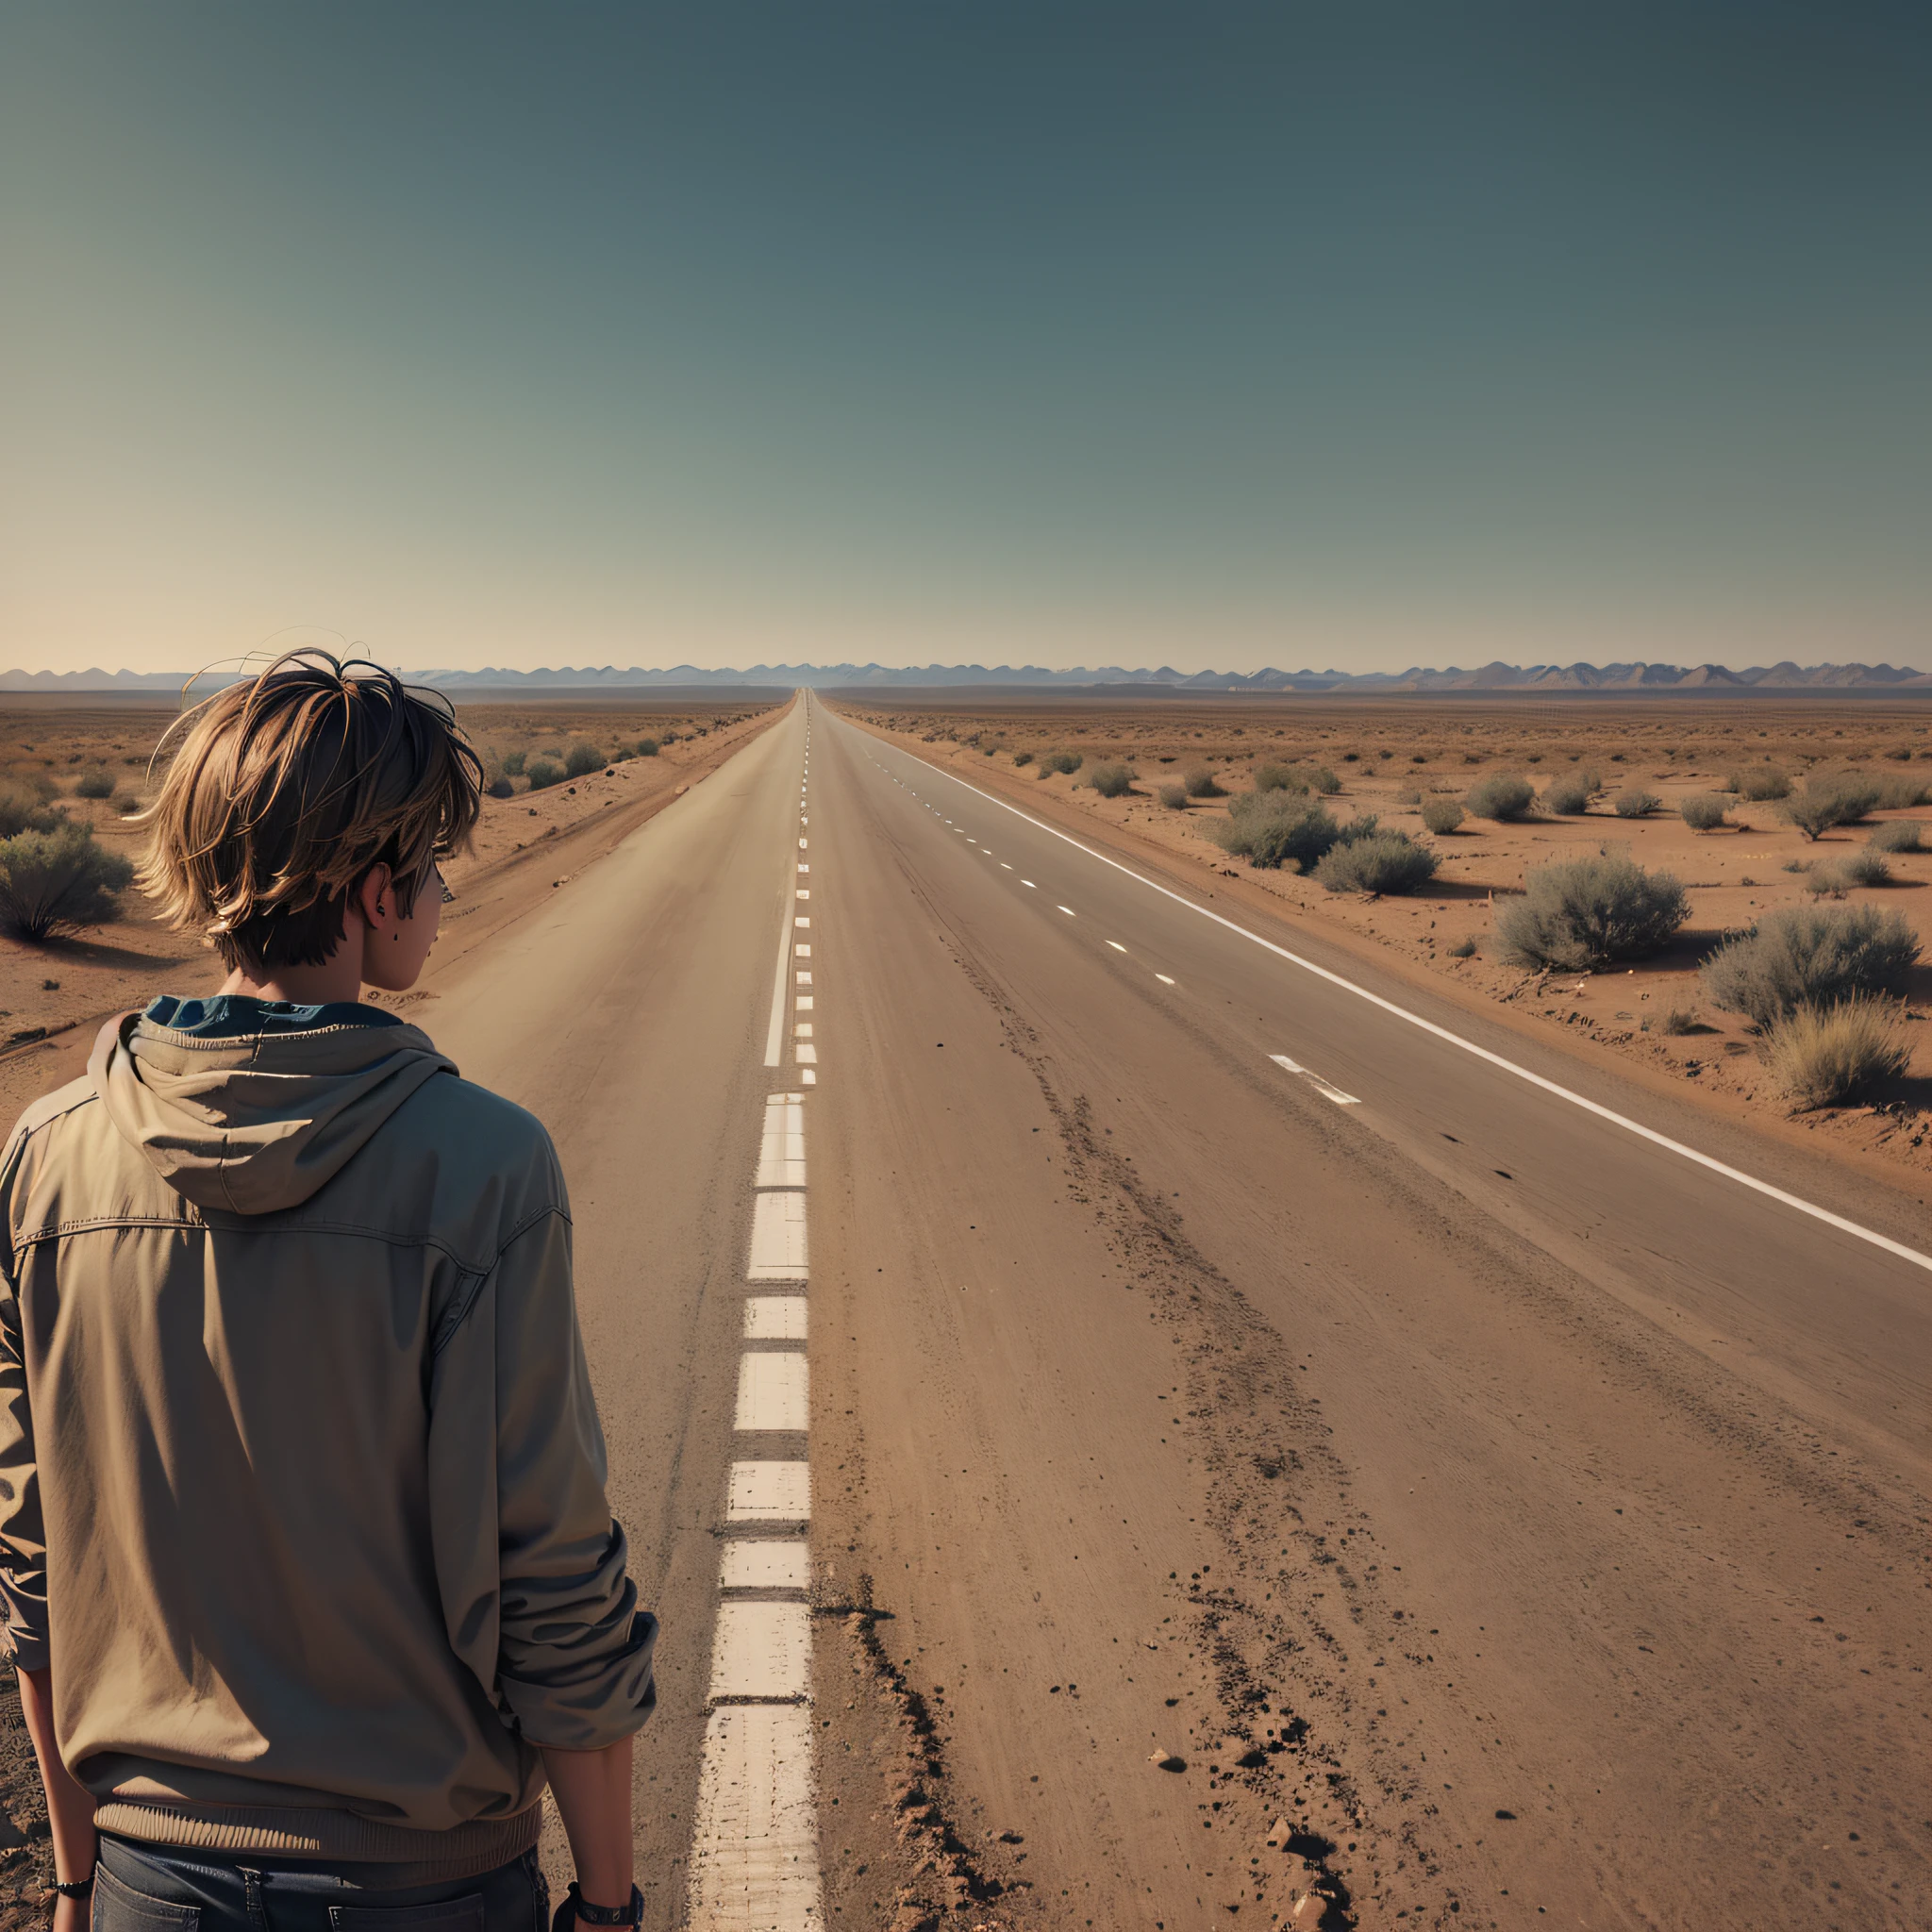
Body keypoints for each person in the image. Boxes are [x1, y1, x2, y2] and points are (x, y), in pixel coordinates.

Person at [0, 653, 655, 1932]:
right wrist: (612, 1905)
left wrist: (76, 1883)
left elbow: (33, 1569)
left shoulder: (46, 1156)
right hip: (427, 1887)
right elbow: (555, 1579)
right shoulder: (484, 1167)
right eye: (431, 864)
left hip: (149, 1880)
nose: (447, 891)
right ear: (371, 893)